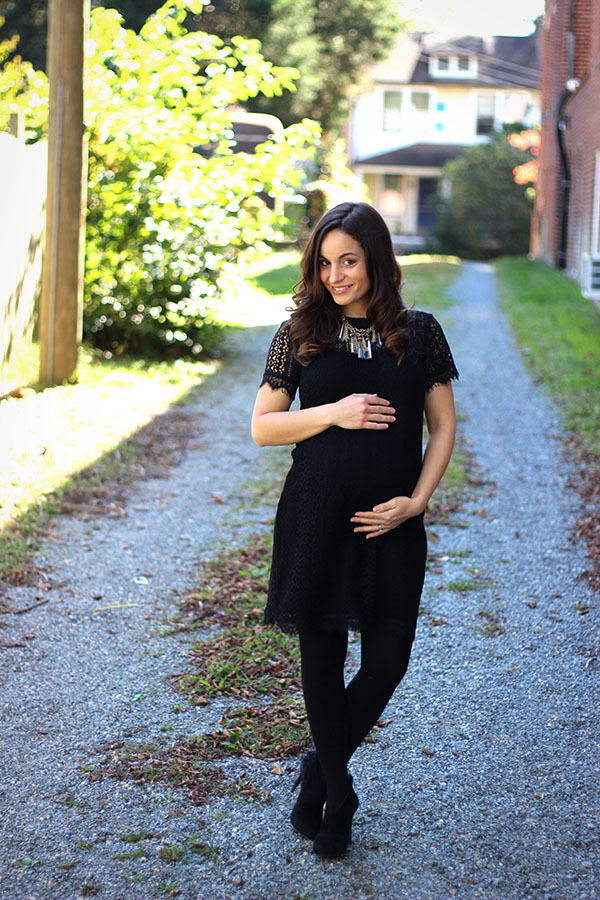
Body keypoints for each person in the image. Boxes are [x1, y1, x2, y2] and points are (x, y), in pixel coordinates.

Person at [251, 201, 458, 859]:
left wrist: (416, 502)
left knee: (388, 659)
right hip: (316, 516)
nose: (336, 274)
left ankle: (318, 765)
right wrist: (334, 411)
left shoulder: (417, 333)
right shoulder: (301, 333)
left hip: (391, 523)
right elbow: (263, 426)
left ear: (375, 261)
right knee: (323, 655)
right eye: (325, 261)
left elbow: (444, 426)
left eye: (349, 260)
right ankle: (338, 799)